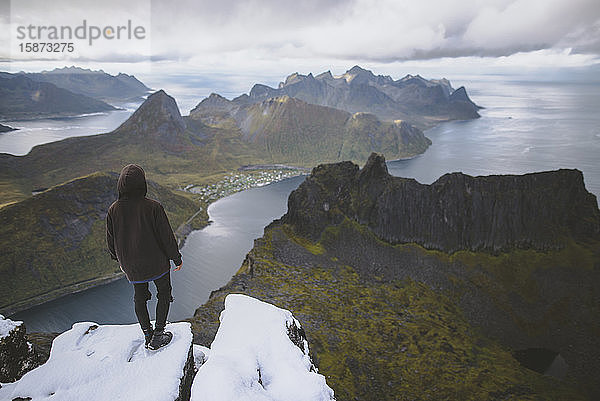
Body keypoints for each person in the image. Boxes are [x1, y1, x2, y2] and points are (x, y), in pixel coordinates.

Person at [106, 164, 183, 350]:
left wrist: (120, 260)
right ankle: (158, 335)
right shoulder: (153, 207)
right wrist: (176, 258)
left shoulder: (113, 210)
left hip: (131, 265)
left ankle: (147, 333)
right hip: (156, 263)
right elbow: (166, 236)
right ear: (142, 183)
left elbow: (111, 239)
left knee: (139, 297)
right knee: (164, 293)